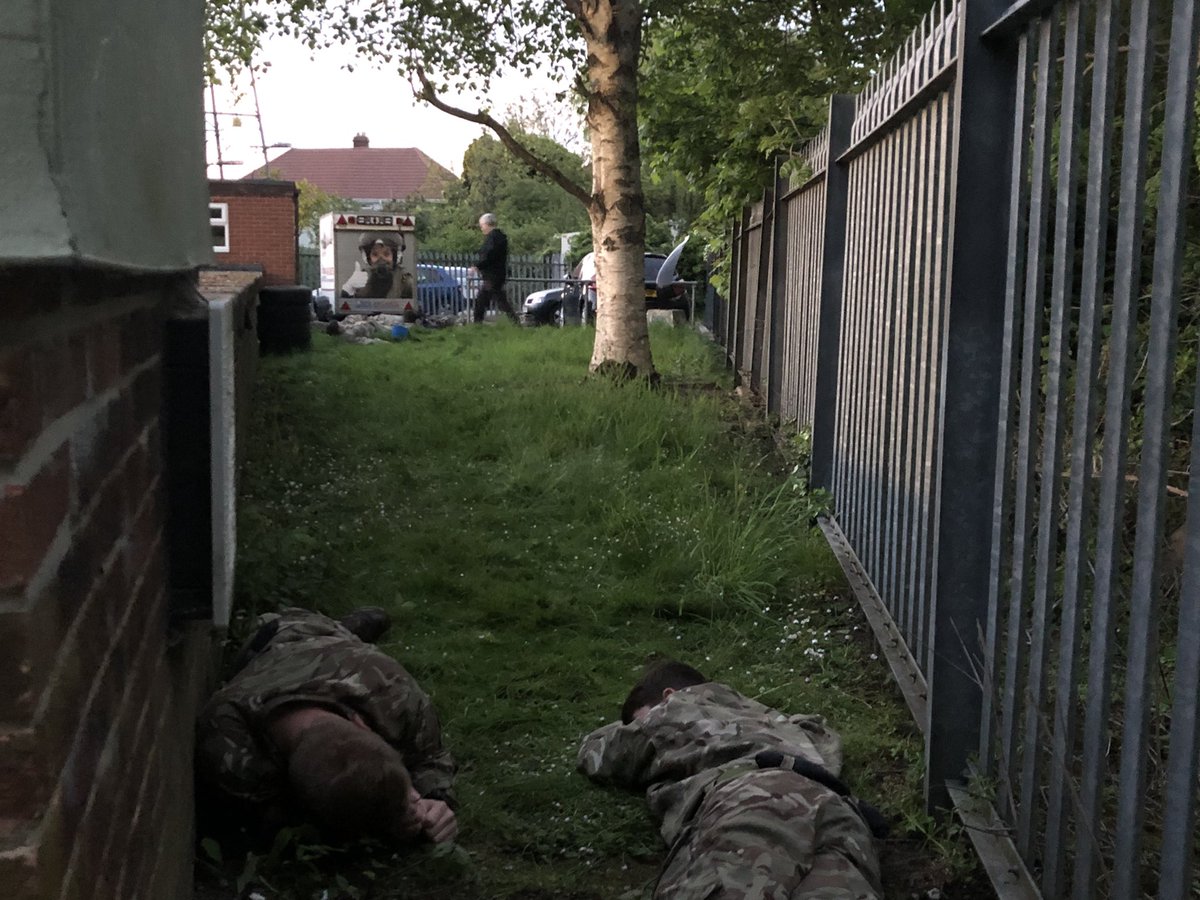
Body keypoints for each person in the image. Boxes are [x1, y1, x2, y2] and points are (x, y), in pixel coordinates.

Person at [577, 659, 886, 900]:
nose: (637, 726)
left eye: (637, 717)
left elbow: (599, 753)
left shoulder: (675, 708)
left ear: (668, 696)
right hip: (838, 810)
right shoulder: (779, 722)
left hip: (755, 799)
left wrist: (633, 724)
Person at [196, 607, 457, 848]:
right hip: (276, 642)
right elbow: (264, 825)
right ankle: (346, 630)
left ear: (360, 722)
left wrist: (434, 799)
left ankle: (347, 629)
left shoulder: (391, 689)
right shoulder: (230, 744)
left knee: (337, 637)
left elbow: (432, 756)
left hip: (323, 641)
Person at [471, 212, 518, 324]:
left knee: (483, 301)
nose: (481, 228)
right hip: (496, 274)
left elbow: (489, 254)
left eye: (482, 225)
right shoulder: (499, 237)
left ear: (487, 224)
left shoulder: (493, 238)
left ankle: (477, 323)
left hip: (492, 275)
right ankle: (514, 322)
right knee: (498, 300)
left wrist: (478, 266)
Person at [341, 232, 414, 301]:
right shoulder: (361, 280)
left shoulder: (405, 282)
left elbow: (413, 309)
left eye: (386, 254)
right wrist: (348, 289)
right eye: (375, 254)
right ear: (368, 259)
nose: (381, 260)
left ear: (394, 257)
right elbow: (345, 310)